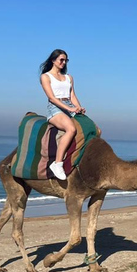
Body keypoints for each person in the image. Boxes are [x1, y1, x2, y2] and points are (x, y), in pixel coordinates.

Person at [40, 49, 86, 180]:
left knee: (91, 128)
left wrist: (78, 107)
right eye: (61, 60)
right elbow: (52, 98)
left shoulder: (69, 78)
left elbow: (72, 95)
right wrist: (68, 108)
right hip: (55, 108)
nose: (64, 62)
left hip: (69, 106)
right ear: (53, 60)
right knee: (71, 129)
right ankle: (57, 163)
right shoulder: (45, 77)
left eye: (66, 60)